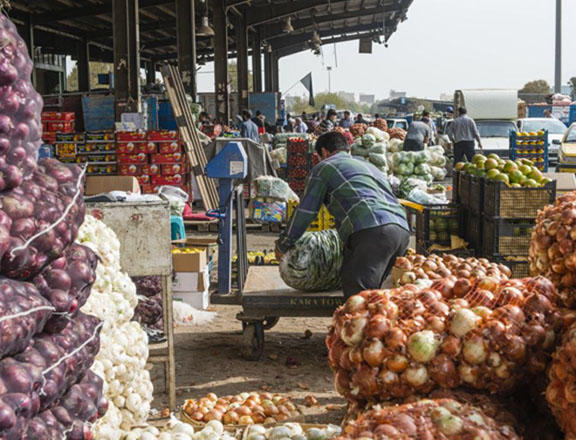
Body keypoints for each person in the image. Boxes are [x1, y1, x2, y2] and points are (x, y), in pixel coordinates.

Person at [275, 132, 410, 299]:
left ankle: (356, 323)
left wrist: (284, 244)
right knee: (376, 299)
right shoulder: (368, 165)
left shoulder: (324, 167)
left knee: (359, 299)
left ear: (323, 152)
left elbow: (305, 212)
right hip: (401, 229)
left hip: (372, 230)